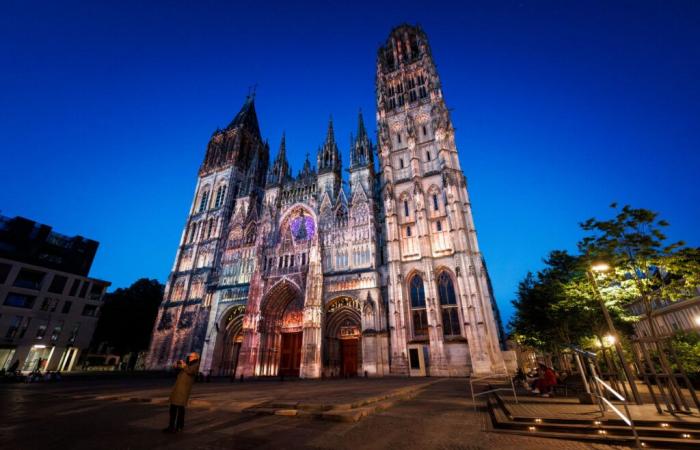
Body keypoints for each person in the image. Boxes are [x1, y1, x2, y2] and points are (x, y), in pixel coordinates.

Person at [164, 352, 200, 433]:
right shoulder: (188, 364)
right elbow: (179, 369)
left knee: (180, 409)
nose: (189, 357)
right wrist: (176, 365)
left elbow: (190, 371)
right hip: (178, 388)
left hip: (184, 390)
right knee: (174, 408)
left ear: (196, 357)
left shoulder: (196, 365)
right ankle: (172, 426)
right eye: (189, 356)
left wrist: (184, 366)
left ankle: (178, 427)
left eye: (191, 356)